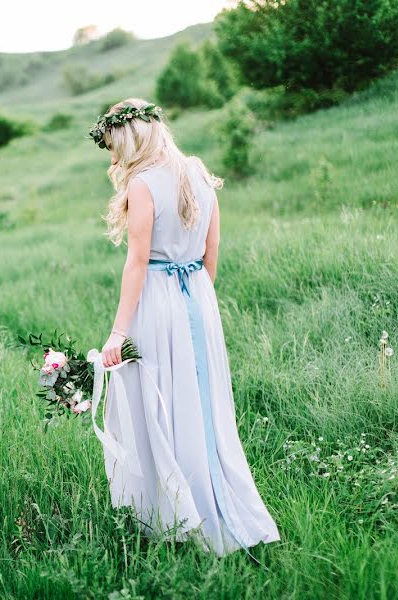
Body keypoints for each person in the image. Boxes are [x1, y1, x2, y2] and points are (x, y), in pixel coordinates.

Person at [89, 98, 280, 556]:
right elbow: (212, 249)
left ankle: (168, 512)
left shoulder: (142, 184)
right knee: (200, 402)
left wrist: (118, 333)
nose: (113, 155)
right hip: (198, 296)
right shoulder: (197, 171)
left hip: (156, 298)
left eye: (114, 144)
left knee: (157, 402)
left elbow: (137, 263)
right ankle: (199, 500)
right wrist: (194, 300)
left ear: (129, 138)